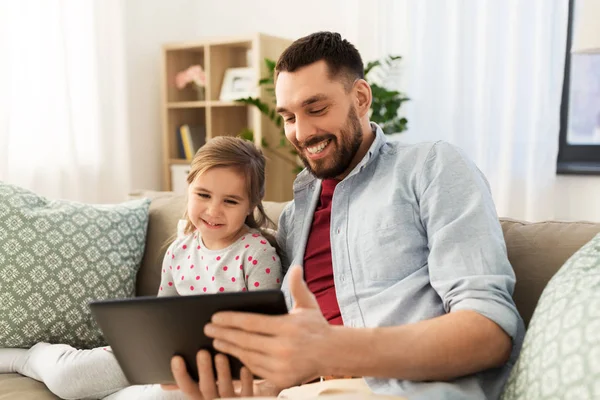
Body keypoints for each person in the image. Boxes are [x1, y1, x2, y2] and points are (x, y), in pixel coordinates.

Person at [167, 31, 525, 400]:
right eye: (289, 117)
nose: (301, 133)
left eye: (316, 109)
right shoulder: (294, 217)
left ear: (360, 98)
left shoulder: (431, 166)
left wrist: (334, 349)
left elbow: (491, 332)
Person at [0, 136, 283, 400]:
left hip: (209, 371)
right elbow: (162, 315)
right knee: (68, 379)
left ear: (251, 205)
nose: (213, 210)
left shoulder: (257, 255)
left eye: (230, 201)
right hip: (159, 355)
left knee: (165, 396)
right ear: (189, 187)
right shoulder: (180, 249)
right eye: (203, 195)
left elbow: (266, 334)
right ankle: (27, 357)